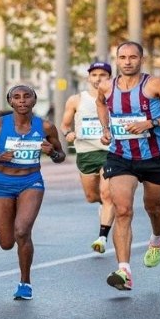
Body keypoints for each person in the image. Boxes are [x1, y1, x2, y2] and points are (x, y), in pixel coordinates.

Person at [96, 41, 160, 291]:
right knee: (123, 209)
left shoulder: (154, 84)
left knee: (153, 207)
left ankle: (157, 239)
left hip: (155, 158)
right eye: (123, 57)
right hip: (120, 156)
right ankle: (123, 271)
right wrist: (106, 129)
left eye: (133, 57)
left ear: (141, 60)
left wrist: (152, 122)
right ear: (116, 60)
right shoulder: (106, 86)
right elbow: (100, 103)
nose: (127, 61)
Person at [0, 85, 66, 300]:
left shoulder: (46, 127)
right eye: (17, 97)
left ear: (34, 100)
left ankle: (25, 283)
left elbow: (60, 156)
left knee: (22, 230)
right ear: (10, 102)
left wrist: (52, 152)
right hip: (2, 183)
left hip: (31, 181)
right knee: (6, 243)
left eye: (27, 96)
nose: (22, 100)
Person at [61, 61, 115, 253]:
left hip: (111, 152)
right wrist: (68, 133)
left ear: (109, 77)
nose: (98, 78)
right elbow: (65, 124)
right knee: (92, 197)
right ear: (89, 78)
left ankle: (102, 237)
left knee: (108, 194)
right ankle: (103, 205)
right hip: (85, 153)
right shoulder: (76, 100)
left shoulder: (115, 97)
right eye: (94, 75)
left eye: (102, 75)